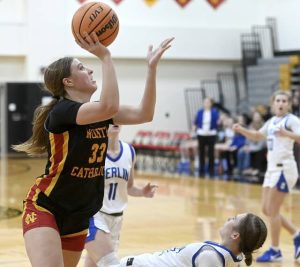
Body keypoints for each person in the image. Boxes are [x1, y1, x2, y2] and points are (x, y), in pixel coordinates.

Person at [15, 31, 174, 267]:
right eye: (81, 68)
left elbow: (144, 114)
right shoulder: (62, 112)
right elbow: (109, 105)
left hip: (79, 214)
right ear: (67, 82)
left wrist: (151, 70)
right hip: (46, 206)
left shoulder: (102, 113)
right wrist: (106, 57)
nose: (89, 70)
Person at [232, 90, 300, 262]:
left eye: (284, 100)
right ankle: (297, 234)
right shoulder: (271, 121)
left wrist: (287, 134)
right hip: (271, 171)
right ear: (273, 103)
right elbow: (257, 136)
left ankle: (275, 250)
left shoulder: (291, 120)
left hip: (284, 169)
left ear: (288, 104)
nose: (281, 103)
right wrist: (242, 130)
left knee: (274, 211)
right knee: (266, 209)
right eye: (278, 100)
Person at [84, 124, 158, 267]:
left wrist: (142, 192)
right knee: (110, 263)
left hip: (116, 219)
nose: (114, 122)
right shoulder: (93, 151)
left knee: (93, 263)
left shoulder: (129, 151)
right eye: (110, 120)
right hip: (95, 215)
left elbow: (129, 187)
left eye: (117, 118)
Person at [110, 213, 267, 267]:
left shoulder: (211, 257)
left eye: (233, 219)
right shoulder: (232, 259)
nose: (228, 218)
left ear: (235, 235)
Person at [193, 97, 219, 178]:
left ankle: (211, 170)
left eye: (208, 102)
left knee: (211, 153)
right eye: (205, 102)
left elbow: (217, 122)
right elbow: (195, 122)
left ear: (210, 104)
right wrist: (193, 128)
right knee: (201, 152)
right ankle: (201, 169)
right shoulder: (200, 112)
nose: (206, 104)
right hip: (201, 134)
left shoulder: (214, 112)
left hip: (211, 134)